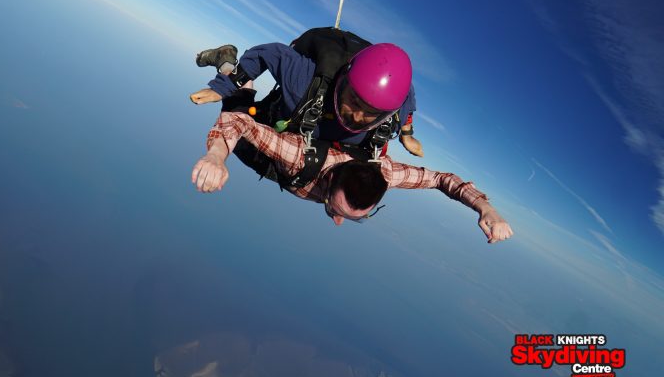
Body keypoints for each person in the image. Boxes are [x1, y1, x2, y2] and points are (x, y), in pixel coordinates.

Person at [192, 111, 513, 242]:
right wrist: (217, 157)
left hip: (294, 171)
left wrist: (487, 209)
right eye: (333, 209)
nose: (336, 220)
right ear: (328, 181)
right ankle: (235, 73)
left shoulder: (386, 172)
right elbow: (235, 121)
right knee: (242, 107)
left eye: (350, 216)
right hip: (273, 160)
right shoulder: (300, 156)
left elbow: (444, 180)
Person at [189, 27, 425, 158]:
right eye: (353, 100)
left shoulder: (393, 111)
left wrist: (406, 134)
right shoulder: (303, 80)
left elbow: (407, 100)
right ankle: (225, 59)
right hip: (281, 119)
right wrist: (223, 87)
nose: (357, 115)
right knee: (239, 116)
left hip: (313, 145)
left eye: (371, 113)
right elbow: (269, 53)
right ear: (343, 80)